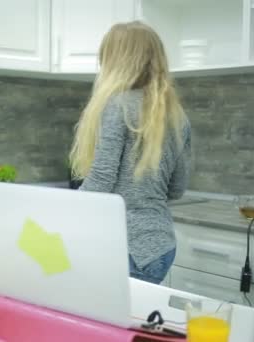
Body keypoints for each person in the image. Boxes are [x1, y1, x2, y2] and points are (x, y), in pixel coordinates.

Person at [69, 21, 191, 284]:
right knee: (133, 325)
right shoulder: (176, 115)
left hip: (127, 249)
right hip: (160, 246)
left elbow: (100, 182)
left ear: (117, 61)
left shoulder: (118, 105)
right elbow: (177, 188)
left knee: (104, 324)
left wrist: (58, 213)